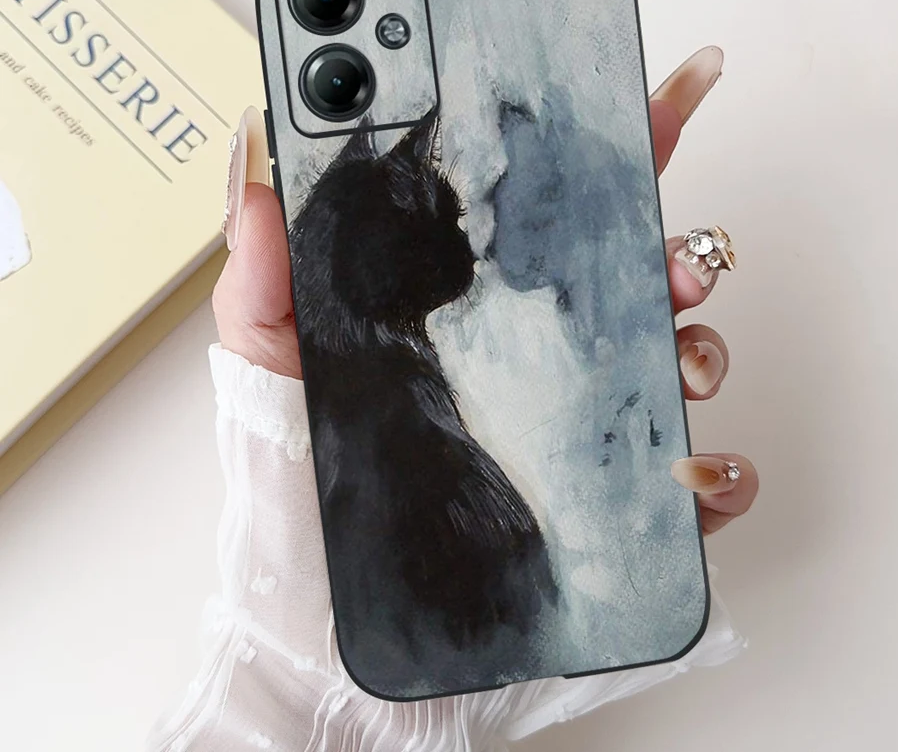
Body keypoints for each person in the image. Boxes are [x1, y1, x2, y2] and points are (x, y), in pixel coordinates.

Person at [148, 46, 758, 752]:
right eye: (446, 227)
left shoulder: (372, 390)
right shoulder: (392, 400)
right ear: (371, 241)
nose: (469, 252)